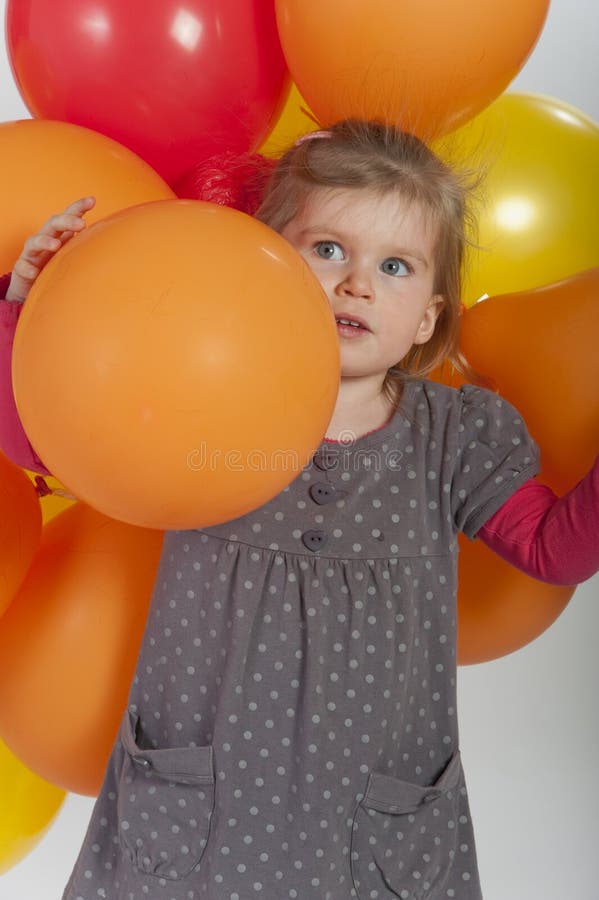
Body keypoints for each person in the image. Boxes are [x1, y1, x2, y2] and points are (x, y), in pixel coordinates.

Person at [0, 120, 597, 900]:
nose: (357, 284)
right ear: (262, 261)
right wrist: (24, 308)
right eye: (326, 251)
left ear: (427, 316)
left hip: (370, 823)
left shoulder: (456, 434)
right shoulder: (200, 396)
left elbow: (556, 552)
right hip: (202, 809)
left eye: (394, 266)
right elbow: (44, 446)